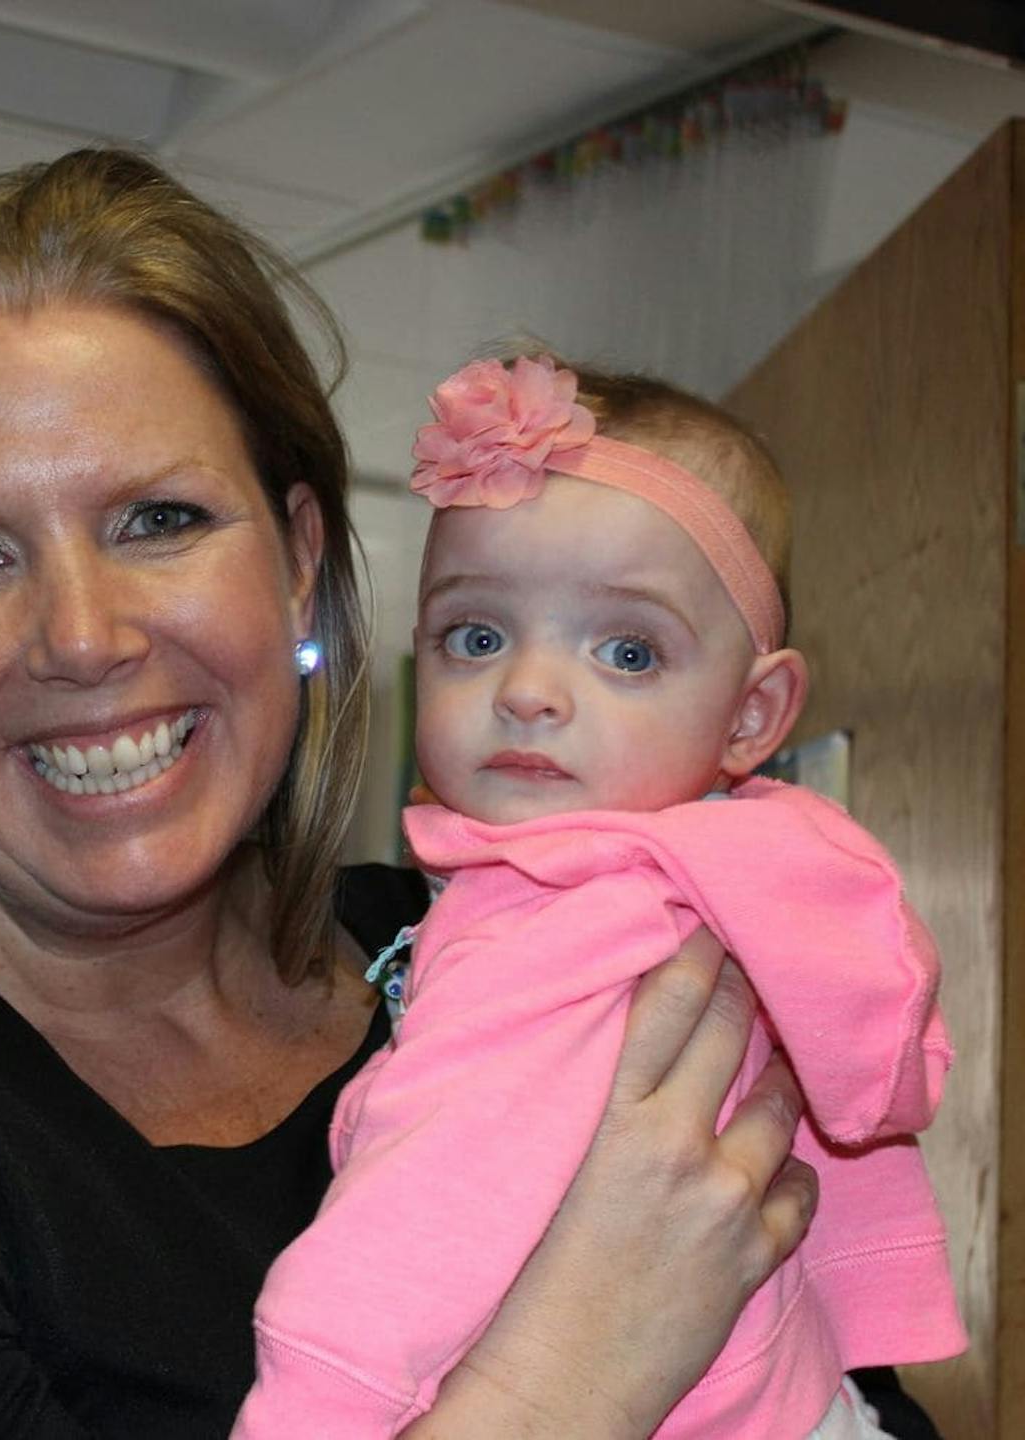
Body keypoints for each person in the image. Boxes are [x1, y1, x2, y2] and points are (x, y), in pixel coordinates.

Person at [0, 149, 930, 1437]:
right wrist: (565, 1389)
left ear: (298, 562)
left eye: (158, 522)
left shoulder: (510, 951)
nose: (83, 634)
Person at [238, 356, 964, 1439]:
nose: (528, 691)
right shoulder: (754, 878)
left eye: (627, 651)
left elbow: (422, 1215)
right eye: (476, 637)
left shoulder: (571, 925)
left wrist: (309, 1406)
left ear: (753, 713)